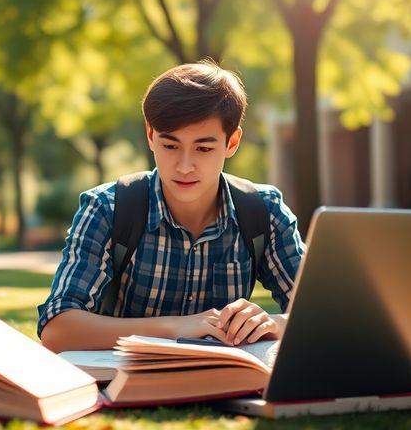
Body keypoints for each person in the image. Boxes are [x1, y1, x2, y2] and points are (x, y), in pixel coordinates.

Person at [37, 61, 305, 353]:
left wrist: (273, 324)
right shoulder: (107, 209)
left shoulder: (263, 211)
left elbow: (325, 312)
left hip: (226, 383)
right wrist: (177, 327)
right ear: (151, 135)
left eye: (203, 149)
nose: (185, 166)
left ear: (232, 142)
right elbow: (57, 327)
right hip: (128, 385)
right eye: (170, 146)